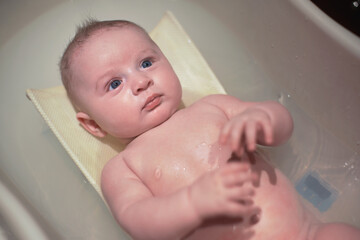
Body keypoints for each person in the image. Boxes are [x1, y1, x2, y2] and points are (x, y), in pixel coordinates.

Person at [59, 19, 360, 240]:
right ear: (93, 125)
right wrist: (191, 204)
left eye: (147, 62)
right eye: (114, 83)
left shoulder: (211, 107)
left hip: (308, 233)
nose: (141, 82)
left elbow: (283, 125)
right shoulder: (122, 167)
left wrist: (263, 118)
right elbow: (138, 222)